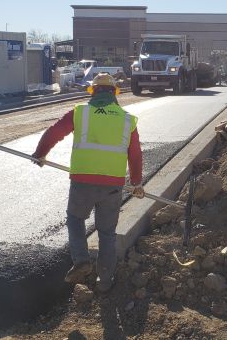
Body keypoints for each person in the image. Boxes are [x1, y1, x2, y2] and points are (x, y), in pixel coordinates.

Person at [32, 73, 144, 292]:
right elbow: (136, 155)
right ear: (114, 94)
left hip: (82, 181)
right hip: (113, 185)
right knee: (107, 234)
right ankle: (105, 282)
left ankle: (81, 259)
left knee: (75, 219)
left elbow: (54, 132)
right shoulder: (127, 120)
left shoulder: (80, 113)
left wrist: (40, 153)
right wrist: (137, 182)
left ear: (93, 92)